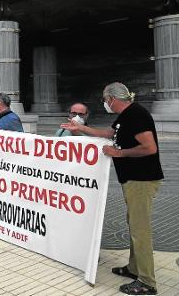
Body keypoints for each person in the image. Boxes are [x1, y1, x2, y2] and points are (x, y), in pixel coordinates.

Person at [61, 82, 163, 295]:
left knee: (140, 231)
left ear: (112, 100)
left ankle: (147, 282)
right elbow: (109, 133)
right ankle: (135, 269)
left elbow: (150, 147)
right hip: (134, 180)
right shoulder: (127, 115)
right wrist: (81, 129)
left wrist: (120, 153)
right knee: (134, 226)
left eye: (105, 100)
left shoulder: (136, 115)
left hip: (141, 180)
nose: (105, 104)